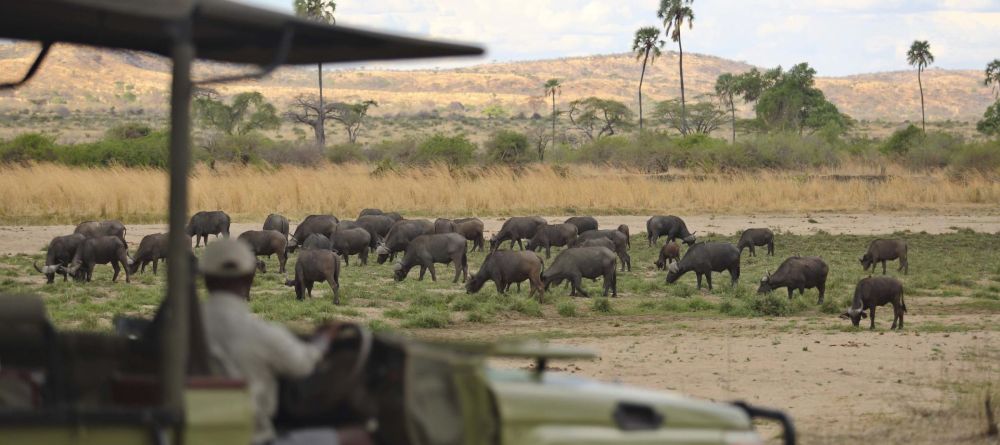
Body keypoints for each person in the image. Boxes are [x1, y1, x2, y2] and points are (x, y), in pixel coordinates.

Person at [198, 239, 371, 445]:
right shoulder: (262, 334)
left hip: (187, 435)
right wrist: (323, 341)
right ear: (250, 277)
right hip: (252, 438)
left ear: (205, 278)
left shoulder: (176, 329)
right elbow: (305, 365)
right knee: (358, 437)